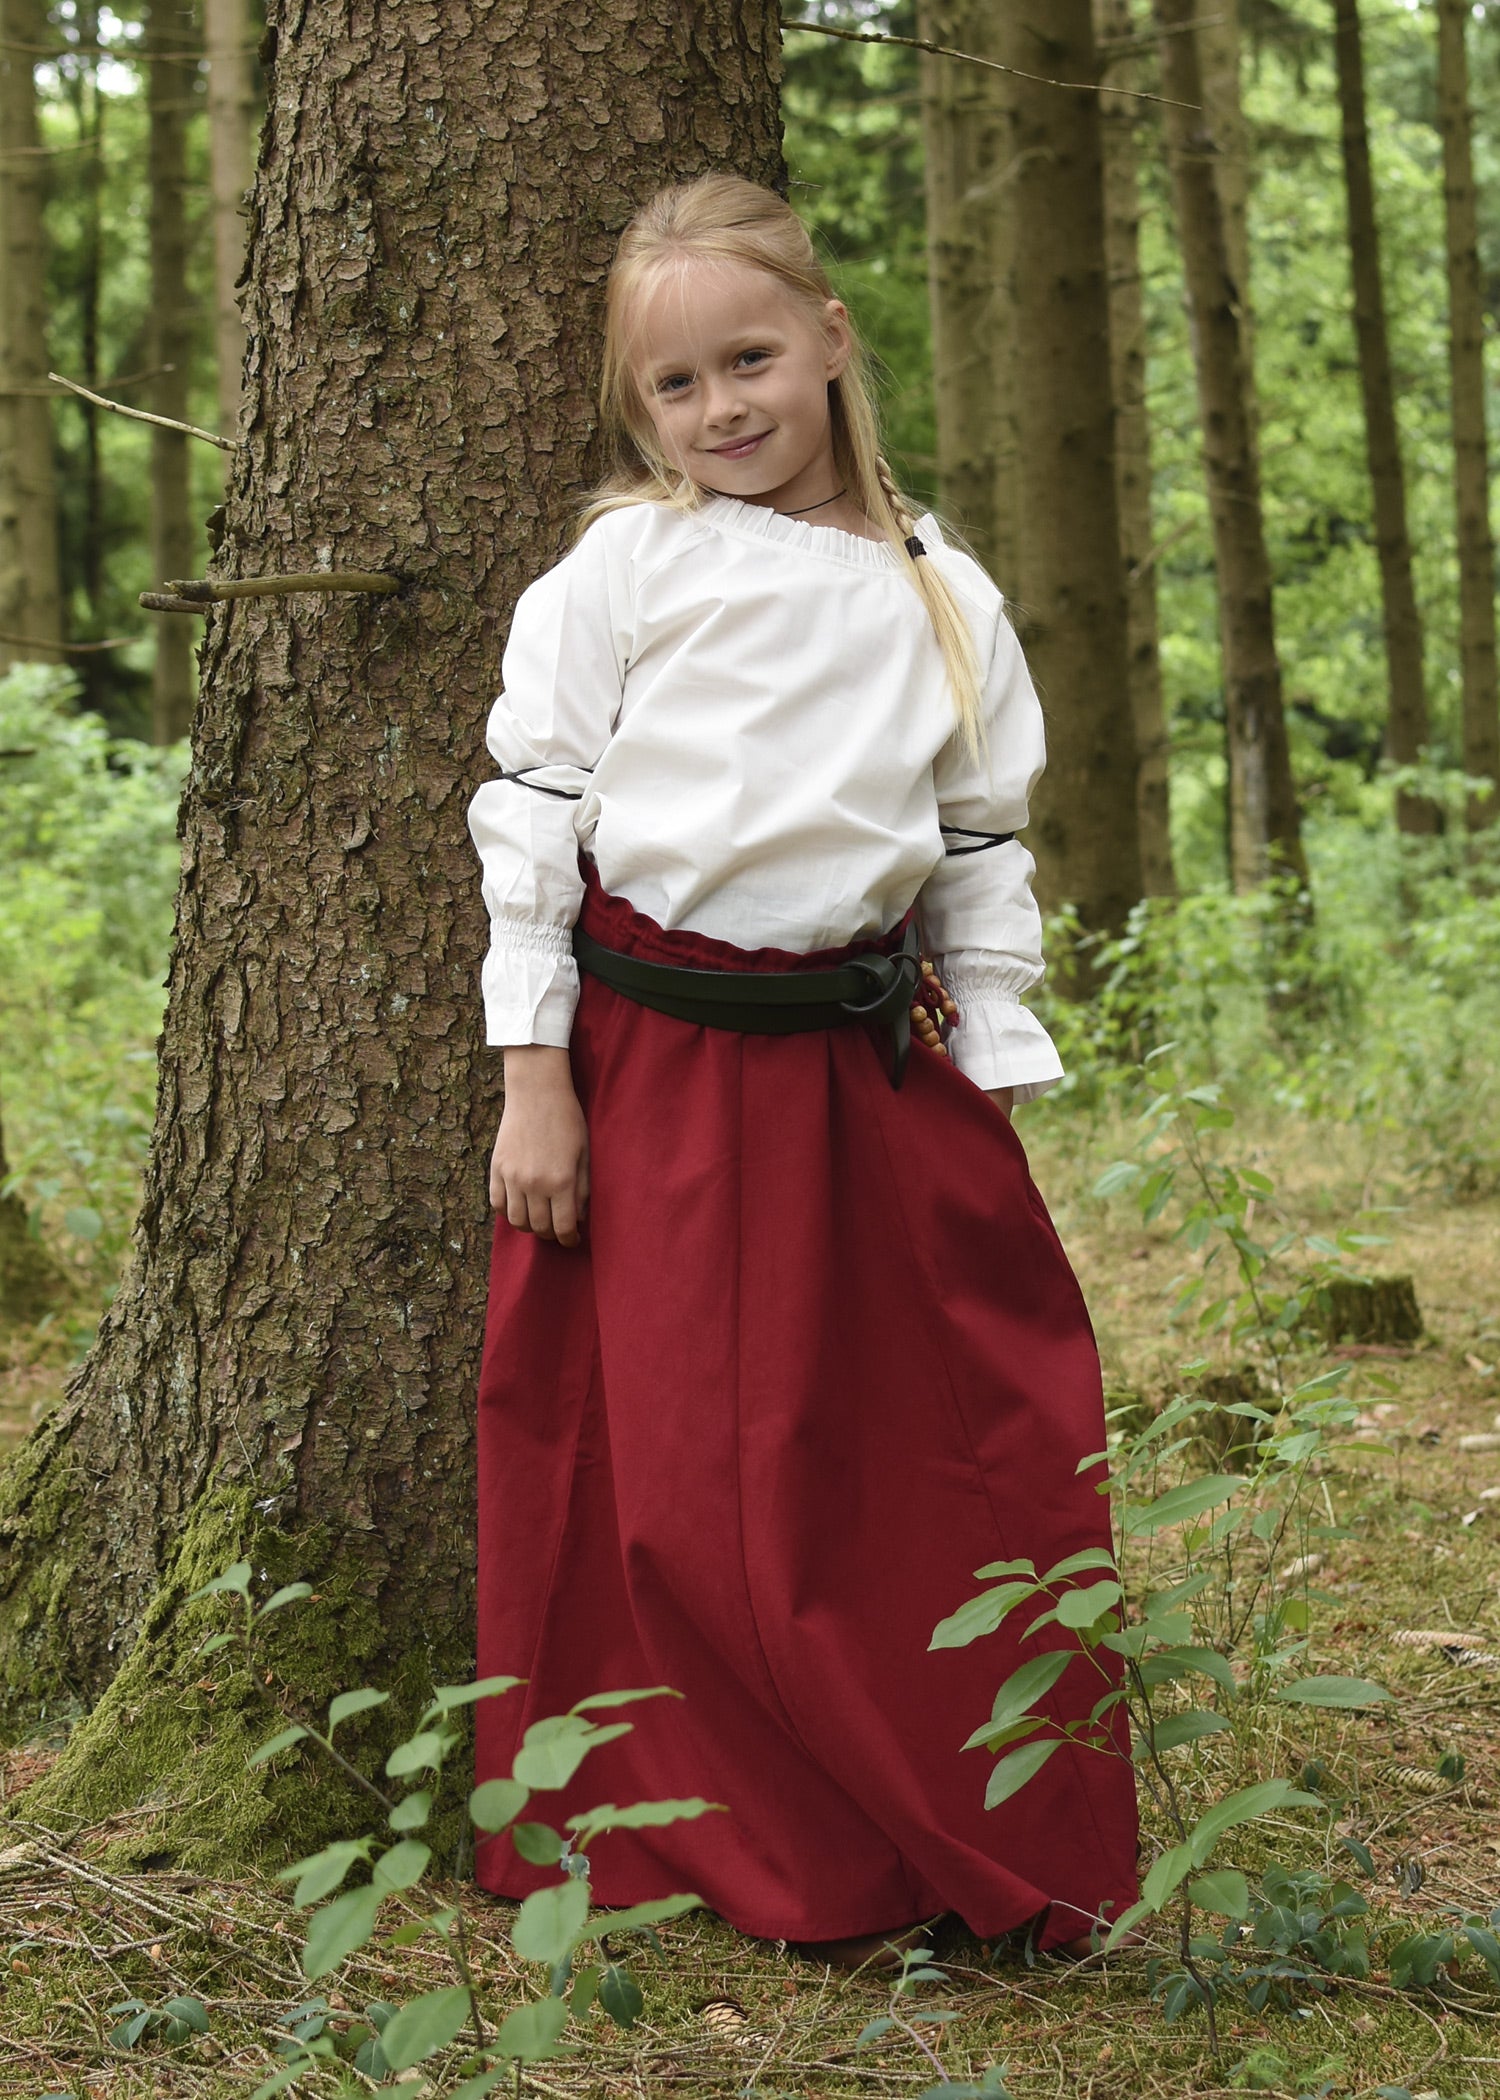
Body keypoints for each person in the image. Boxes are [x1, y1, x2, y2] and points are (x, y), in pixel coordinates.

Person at [466, 171, 1141, 1971]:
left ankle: (936, 1824)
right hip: (651, 1064)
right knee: (668, 1472)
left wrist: (990, 1050)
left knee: (905, 1451)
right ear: (640, 410)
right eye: (675, 385)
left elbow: (977, 842)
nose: (722, 408)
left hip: (862, 1074)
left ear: (832, 339)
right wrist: (537, 1074)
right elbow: (534, 811)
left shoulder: (946, 598)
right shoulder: (629, 568)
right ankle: (676, 1821)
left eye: (750, 359)